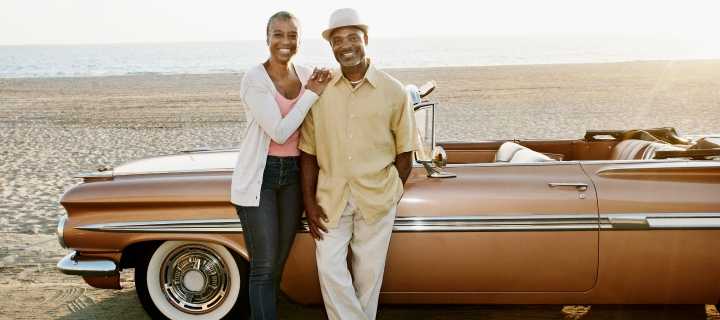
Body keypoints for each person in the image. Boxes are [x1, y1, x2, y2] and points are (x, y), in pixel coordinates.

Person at [299, 8, 417, 320]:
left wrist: (393, 189)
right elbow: (308, 151)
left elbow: (406, 151)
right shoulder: (320, 92)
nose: (346, 45)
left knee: (368, 277)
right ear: (331, 46)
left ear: (365, 39)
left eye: (353, 37)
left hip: (377, 198)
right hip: (330, 198)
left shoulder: (394, 91)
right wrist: (308, 202)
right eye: (337, 40)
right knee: (330, 269)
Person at [230, 11, 332, 320]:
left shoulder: (304, 74)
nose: (284, 41)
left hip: (295, 176)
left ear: (299, 41)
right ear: (267, 38)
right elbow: (279, 130)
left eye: (292, 35)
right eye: (278, 34)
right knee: (263, 266)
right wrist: (312, 93)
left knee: (277, 265)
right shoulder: (255, 78)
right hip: (261, 176)